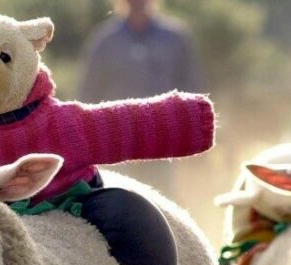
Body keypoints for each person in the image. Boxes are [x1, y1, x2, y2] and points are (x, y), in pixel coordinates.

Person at [79, 0, 206, 194]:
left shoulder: (175, 37)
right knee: (122, 194)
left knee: (163, 195)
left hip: (162, 135)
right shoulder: (105, 40)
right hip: (118, 137)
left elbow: (191, 85)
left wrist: (193, 129)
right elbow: (90, 91)